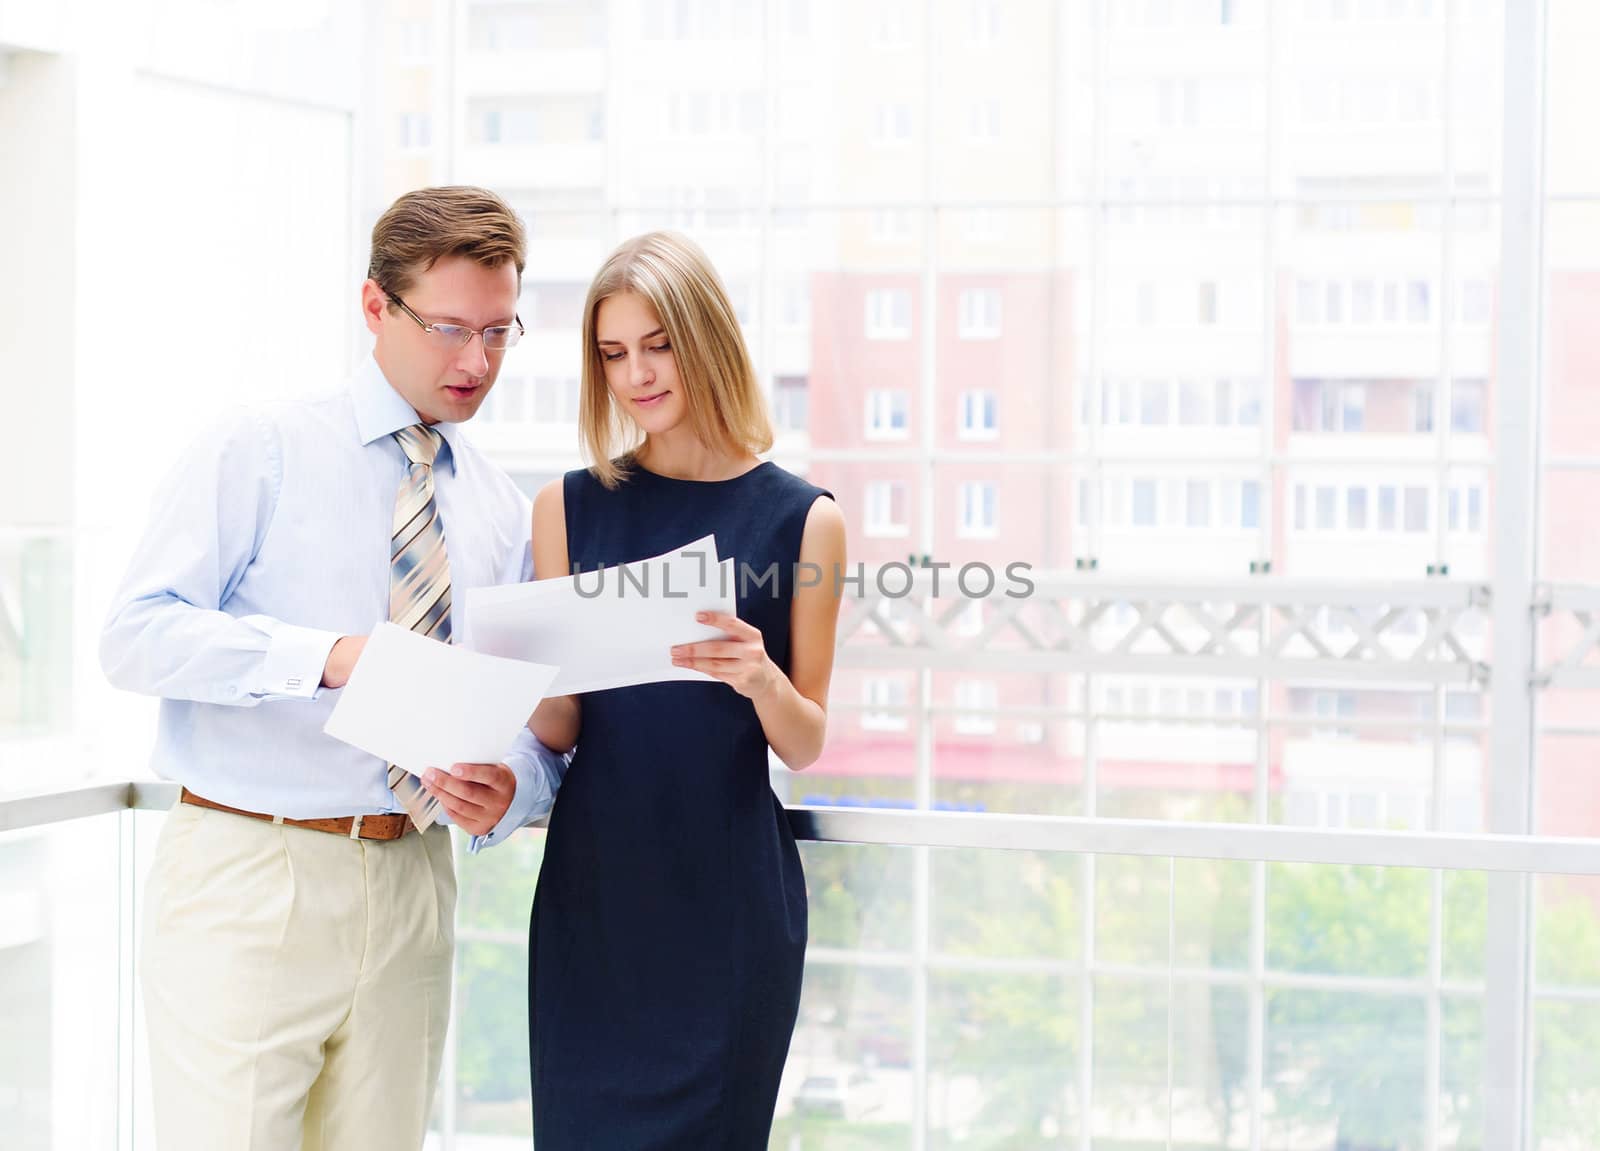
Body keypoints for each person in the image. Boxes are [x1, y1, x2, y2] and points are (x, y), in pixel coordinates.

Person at [99, 185, 567, 1150]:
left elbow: (530, 718)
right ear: (373, 308)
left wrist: (511, 786)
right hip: (249, 871)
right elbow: (136, 633)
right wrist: (328, 658)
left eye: (498, 331)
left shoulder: (499, 505)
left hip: (416, 882)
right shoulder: (262, 447)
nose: (475, 362)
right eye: (448, 328)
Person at [520, 230, 847, 1146]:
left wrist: (760, 674)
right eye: (613, 353)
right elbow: (561, 724)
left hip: (729, 914)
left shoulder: (804, 519)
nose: (637, 374)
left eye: (658, 342)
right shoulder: (567, 507)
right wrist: (518, 676)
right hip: (596, 906)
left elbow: (806, 741)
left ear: (706, 337)